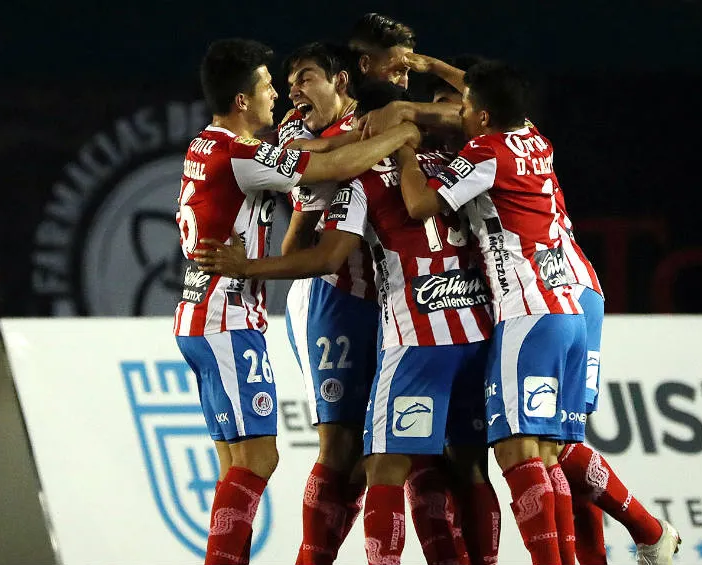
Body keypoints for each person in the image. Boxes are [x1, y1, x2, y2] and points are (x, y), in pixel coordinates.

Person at [194, 81, 500, 565]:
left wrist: (249, 266)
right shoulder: (459, 162)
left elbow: (324, 253)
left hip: (413, 330)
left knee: (385, 462)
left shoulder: (361, 178)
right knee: (455, 462)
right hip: (467, 325)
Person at [395, 61, 683, 565]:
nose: (449, 115)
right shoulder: (531, 135)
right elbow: (494, 94)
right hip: (576, 292)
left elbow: (420, 205)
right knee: (558, 445)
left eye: (457, 107)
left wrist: (401, 131)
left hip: (536, 303)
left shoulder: (484, 152)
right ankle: (639, 536)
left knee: (531, 447)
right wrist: (430, 65)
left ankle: (637, 534)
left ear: (481, 113)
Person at [175, 38, 420, 565]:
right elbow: (332, 167)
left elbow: (322, 153)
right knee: (258, 460)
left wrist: (367, 128)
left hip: (200, 315)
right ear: (242, 99)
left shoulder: (209, 145)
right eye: (268, 86)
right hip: (228, 315)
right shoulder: (241, 155)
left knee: (236, 463)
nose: (277, 96)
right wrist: (401, 133)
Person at [275, 42, 378, 565]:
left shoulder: (374, 119)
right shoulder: (294, 134)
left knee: (382, 452)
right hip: (330, 294)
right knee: (338, 445)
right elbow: (330, 165)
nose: (294, 91)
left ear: (340, 81)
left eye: (306, 77)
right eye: (289, 82)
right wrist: (380, 138)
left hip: (391, 303)